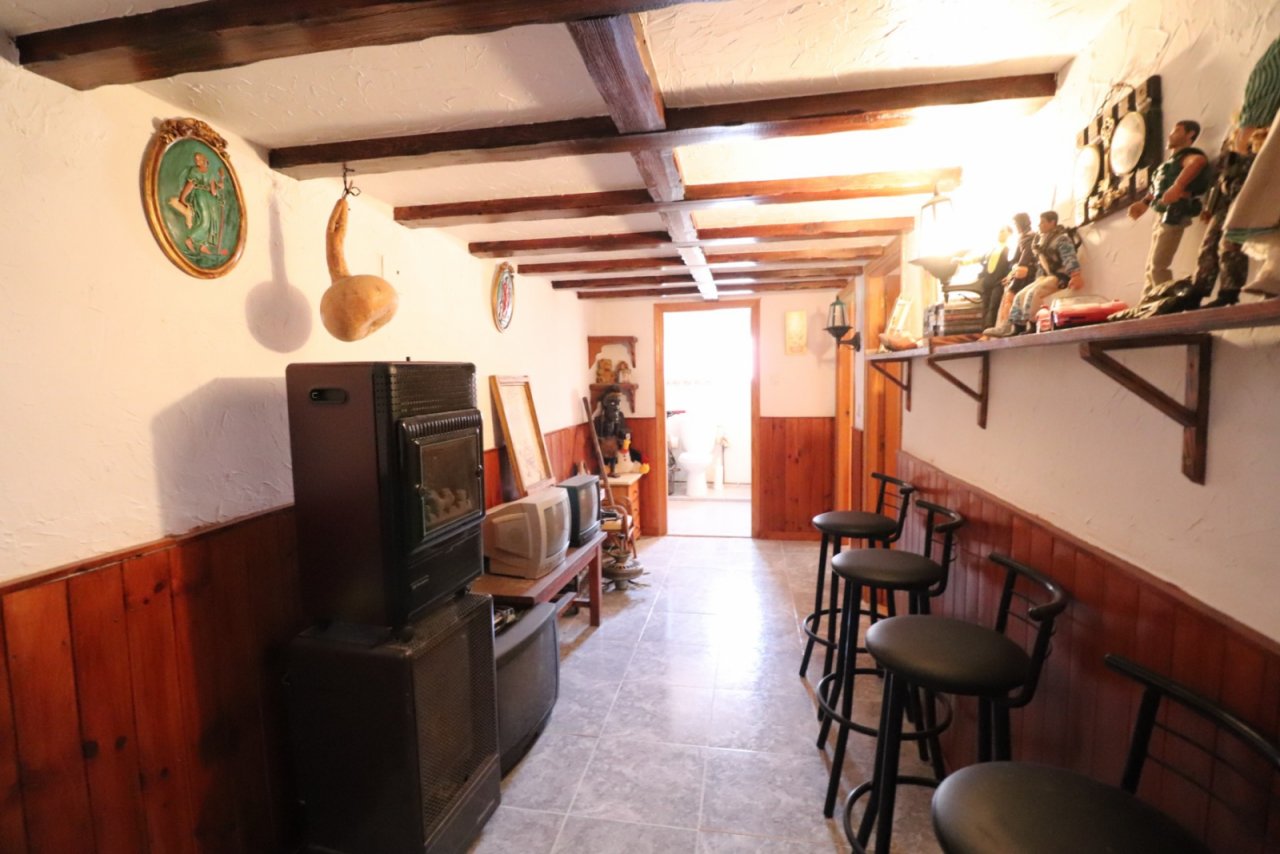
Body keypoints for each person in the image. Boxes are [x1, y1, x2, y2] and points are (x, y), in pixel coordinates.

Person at [1127, 120, 1211, 300]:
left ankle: (1164, 301)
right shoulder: (1167, 165)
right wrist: (1144, 203)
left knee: (1158, 265)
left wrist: (1178, 186)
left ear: (1190, 134)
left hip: (1175, 212)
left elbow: (1198, 162)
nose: (1171, 135)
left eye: (1177, 131)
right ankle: (1147, 302)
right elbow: (1157, 188)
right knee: (1150, 267)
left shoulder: (1187, 156)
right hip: (1161, 212)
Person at [986, 211, 1083, 336]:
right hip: (1045, 276)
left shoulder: (1061, 239)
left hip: (1060, 276)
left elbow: (1069, 257)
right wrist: (1038, 278)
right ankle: (1018, 326)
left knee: (1033, 294)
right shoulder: (1041, 240)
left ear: (1052, 222)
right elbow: (1041, 263)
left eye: (1043, 222)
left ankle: (1033, 323)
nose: (1039, 225)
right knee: (1020, 295)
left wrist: (1075, 275)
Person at [167, 150, 228, 257]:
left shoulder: (210, 173)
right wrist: (182, 197)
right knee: (205, 221)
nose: (196, 161)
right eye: (196, 159)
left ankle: (203, 246)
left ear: (204, 160)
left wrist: (220, 184)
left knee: (211, 221)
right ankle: (190, 239)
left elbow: (213, 192)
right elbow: (190, 185)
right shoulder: (194, 171)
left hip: (209, 198)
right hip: (199, 195)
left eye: (199, 159)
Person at [968, 224, 1013, 330]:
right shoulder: (991, 249)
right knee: (985, 306)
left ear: (1009, 234)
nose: (1000, 233)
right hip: (987, 281)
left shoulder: (1009, 249)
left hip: (998, 281)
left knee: (994, 306)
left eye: (1003, 231)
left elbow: (1012, 264)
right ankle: (984, 330)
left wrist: (1009, 276)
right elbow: (978, 258)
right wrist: (961, 261)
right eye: (999, 231)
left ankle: (990, 328)